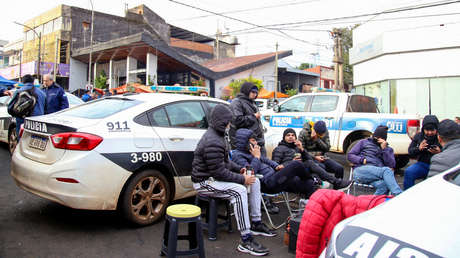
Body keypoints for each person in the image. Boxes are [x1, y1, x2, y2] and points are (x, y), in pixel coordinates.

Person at [191, 104, 273, 256]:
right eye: (228, 121)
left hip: (213, 178)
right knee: (239, 191)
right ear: (222, 122)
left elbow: (226, 163)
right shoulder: (213, 140)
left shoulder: (218, 135)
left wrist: (239, 170)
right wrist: (242, 179)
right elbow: (219, 172)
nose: (230, 124)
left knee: (255, 181)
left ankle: (256, 222)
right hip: (204, 183)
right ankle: (246, 239)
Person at [231, 128, 317, 200]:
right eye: (253, 141)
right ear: (245, 142)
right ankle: (314, 179)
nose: (256, 143)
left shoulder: (252, 152)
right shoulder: (238, 155)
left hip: (276, 177)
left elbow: (267, 160)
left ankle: (309, 213)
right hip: (267, 183)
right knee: (296, 164)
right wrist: (256, 157)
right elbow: (250, 173)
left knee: (309, 184)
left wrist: (276, 166)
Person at [272, 128, 352, 190]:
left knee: (312, 165)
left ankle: (325, 190)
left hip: (299, 171)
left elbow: (309, 158)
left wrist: (302, 149)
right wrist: (291, 163)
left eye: (293, 135)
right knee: (310, 164)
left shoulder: (297, 147)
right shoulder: (279, 149)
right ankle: (336, 182)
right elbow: (275, 167)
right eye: (288, 135)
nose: (290, 137)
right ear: (284, 137)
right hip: (287, 174)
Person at [347, 125, 403, 195]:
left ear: (383, 139)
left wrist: (384, 150)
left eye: (378, 138)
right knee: (386, 170)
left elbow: (391, 165)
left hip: (375, 175)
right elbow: (350, 155)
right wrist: (362, 160)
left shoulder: (388, 149)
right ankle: (399, 195)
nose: (376, 139)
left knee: (384, 185)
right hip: (361, 171)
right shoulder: (364, 142)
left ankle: (372, 204)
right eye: (375, 137)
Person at [403, 115, 441, 190]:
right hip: (423, 164)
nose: (429, 133)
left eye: (432, 130)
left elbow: (450, 151)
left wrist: (440, 151)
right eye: (427, 130)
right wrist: (419, 148)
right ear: (423, 129)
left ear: (437, 129)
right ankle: (407, 195)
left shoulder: (441, 136)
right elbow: (410, 152)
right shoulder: (419, 136)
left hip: (439, 165)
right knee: (409, 172)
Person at [229, 82, 266, 156]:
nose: (255, 94)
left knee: (263, 164)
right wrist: (253, 116)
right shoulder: (237, 102)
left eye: (256, 93)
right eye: (252, 92)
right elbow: (237, 120)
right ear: (246, 91)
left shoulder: (252, 103)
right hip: (244, 143)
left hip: (257, 141)